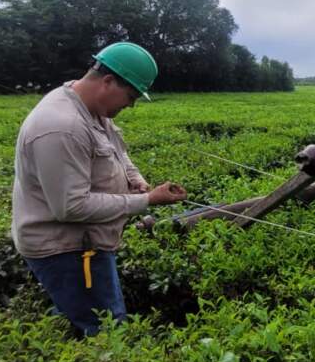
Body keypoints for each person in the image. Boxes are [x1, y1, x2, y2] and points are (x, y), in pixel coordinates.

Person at [11, 42, 187, 335]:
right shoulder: (61, 126)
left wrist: (136, 179)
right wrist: (147, 199)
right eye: (130, 96)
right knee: (105, 328)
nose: (130, 105)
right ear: (107, 81)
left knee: (79, 313)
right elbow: (71, 207)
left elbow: (117, 151)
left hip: (86, 243)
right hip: (67, 251)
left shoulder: (91, 108)